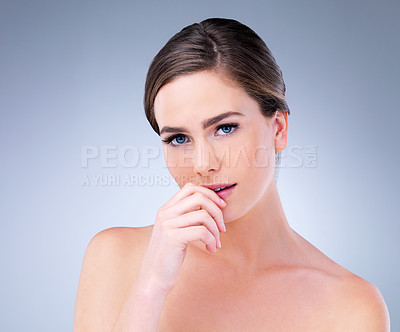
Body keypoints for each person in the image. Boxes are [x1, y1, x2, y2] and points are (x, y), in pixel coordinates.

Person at [73, 18, 390, 331]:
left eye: (224, 128)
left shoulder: (351, 306)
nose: (201, 164)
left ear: (278, 129)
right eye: (178, 139)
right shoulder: (116, 259)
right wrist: (150, 286)